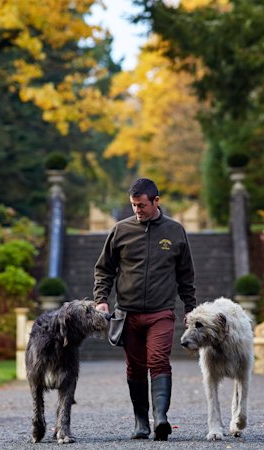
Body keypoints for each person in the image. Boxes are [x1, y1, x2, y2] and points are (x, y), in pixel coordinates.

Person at [93, 177, 197, 441]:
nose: (136, 210)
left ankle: (160, 418)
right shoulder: (120, 231)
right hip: (127, 314)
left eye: (141, 205)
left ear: (156, 201)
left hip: (161, 312)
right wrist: (101, 298)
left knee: (159, 360)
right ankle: (141, 422)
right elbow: (104, 269)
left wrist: (191, 308)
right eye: (133, 205)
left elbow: (186, 275)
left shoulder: (175, 231)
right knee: (135, 367)